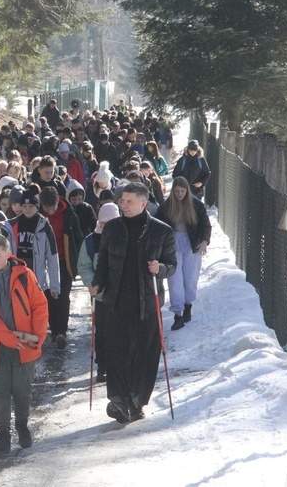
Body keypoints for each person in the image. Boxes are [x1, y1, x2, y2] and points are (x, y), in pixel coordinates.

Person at [90, 182, 176, 424]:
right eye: (122, 200)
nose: (123, 205)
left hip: (147, 303)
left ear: (143, 203)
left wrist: (159, 268)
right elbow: (104, 261)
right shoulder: (113, 229)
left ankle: (136, 401)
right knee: (116, 351)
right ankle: (118, 399)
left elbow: (172, 265)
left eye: (128, 201)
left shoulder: (162, 232)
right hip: (115, 300)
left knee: (144, 354)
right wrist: (97, 282)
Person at [0, 234, 48, 452]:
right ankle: (3, 435)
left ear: (8, 254)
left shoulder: (25, 275)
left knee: (22, 389)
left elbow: (39, 307)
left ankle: (22, 427)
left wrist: (39, 337)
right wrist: (7, 337)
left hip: (26, 343)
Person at [155, 177, 212, 330]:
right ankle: (177, 313)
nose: (180, 194)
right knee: (174, 279)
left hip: (192, 243)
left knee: (190, 277)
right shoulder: (166, 206)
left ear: (187, 191)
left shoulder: (196, 205)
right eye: (177, 191)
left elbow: (205, 225)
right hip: (172, 244)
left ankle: (188, 304)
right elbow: (158, 225)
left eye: (182, 191)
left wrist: (205, 241)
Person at [78, 203, 120, 382]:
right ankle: (102, 365)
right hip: (101, 295)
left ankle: (119, 365)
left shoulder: (125, 236)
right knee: (101, 331)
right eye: (103, 224)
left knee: (120, 331)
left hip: (122, 294)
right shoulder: (90, 241)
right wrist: (92, 283)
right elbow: (84, 266)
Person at [0, 184, 60, 304]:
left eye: (31, 206)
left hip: (37, 273)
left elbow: (52, 256)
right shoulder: (11, 225)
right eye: (25, 206)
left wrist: (55, 286)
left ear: (37, 207)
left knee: (35, 307)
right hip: (17, 268)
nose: (28, 209)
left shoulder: (44, 226)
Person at [39, 186, 83, 349]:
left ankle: (61, 332)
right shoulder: (37, 215)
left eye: (53, 207)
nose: (50, 211)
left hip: (64, 261)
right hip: (43, 262)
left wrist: (77, 261)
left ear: (58, 201)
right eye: (47, 208)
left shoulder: (69, 215)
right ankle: (54, 329)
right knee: (48, 296)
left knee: (63, 295)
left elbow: (78, 238)